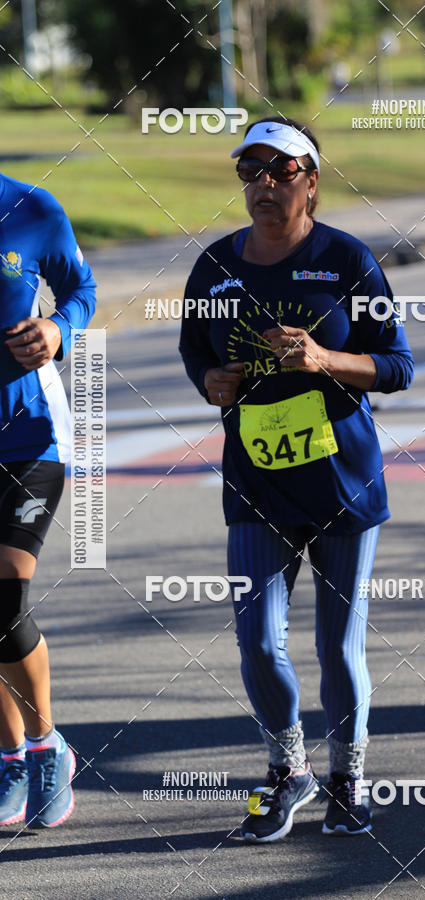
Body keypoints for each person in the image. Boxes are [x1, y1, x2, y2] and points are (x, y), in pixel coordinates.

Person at [179, 116, 413, 842]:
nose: (264, 185)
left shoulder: (346, 261)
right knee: (256, 640)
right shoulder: (214, 267)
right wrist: (210, 380)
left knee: (338, 648)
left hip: (342, 484)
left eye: (281, 171)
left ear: (311, 182)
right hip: (257, 483)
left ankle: (348, 777)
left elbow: (398, 365)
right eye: (250, 171)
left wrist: (324, 361)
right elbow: (194, 352)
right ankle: (289, 771)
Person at [0, 172, 96, 827]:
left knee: (3, 595)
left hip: (29, 435)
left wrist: (59, 329)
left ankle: (45, 746)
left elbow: (82, 290)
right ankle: (9, 758)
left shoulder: (31, 208)